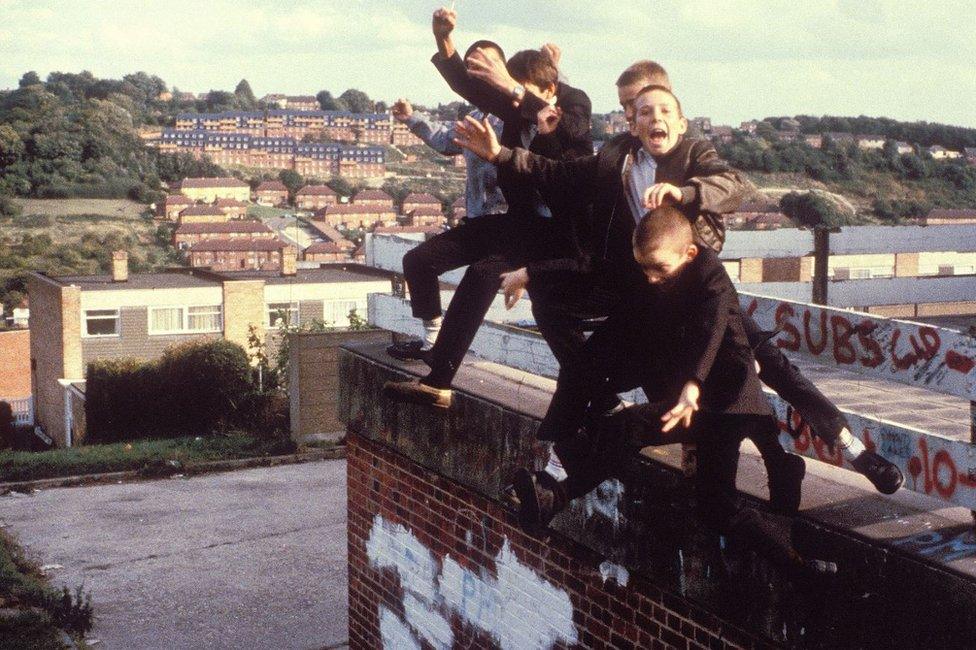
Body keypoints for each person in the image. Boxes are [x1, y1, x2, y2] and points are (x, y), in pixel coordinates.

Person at [455, 77, 903, 496]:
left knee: (774, 368)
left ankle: (857, 453)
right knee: (586, 369)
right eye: (639, 110)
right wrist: (500, 156)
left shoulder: (695, 154)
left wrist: (684, 194)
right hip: (645, 296)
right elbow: (557, 174)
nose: (653, 118)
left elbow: (734, 185)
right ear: (630, 121)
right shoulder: (616, 158)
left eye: (662, 109)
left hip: (702, 290)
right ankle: (548, 468)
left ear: (681, 120)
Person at [514, 205, 836, 578]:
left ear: (690, 254)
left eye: (659, 270)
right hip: (701, 407)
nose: (650, 279)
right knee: (715, 508)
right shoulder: (657, 279)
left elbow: (712, 333)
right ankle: (803, 569)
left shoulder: (710, 277)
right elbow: (601, 284)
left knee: (630, 427)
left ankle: (555, 495)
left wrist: (692, 386)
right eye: (645, 269)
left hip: (728, 402)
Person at [383, 6, 592, 409]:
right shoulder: (510, 112)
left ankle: (438, 380)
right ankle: (438, 379)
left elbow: (566, 128)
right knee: (427, 261)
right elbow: (465, 85)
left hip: (564, 234)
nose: (508, 96)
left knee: (483, 276)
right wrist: (444, 40)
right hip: (520, 224)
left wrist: (519, 88)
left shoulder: (572, 103)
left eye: (511, 87)